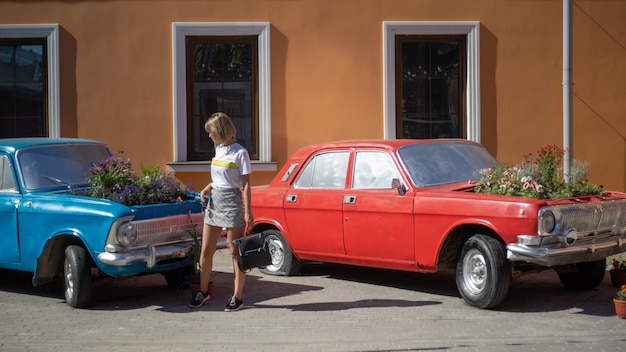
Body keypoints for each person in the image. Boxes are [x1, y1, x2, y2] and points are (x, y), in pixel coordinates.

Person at [189, 112, 253, 312]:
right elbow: (219, 178)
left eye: (211, 132)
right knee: (206, 251)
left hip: (233, 203)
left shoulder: (240, 153)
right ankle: (203, 292)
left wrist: (248, 212)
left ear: (220, 131)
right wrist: (208, 187)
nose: (209, 136)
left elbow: (246, 184)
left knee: (235, 254)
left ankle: (238, 297)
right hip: (215, 202)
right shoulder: (218, 149)